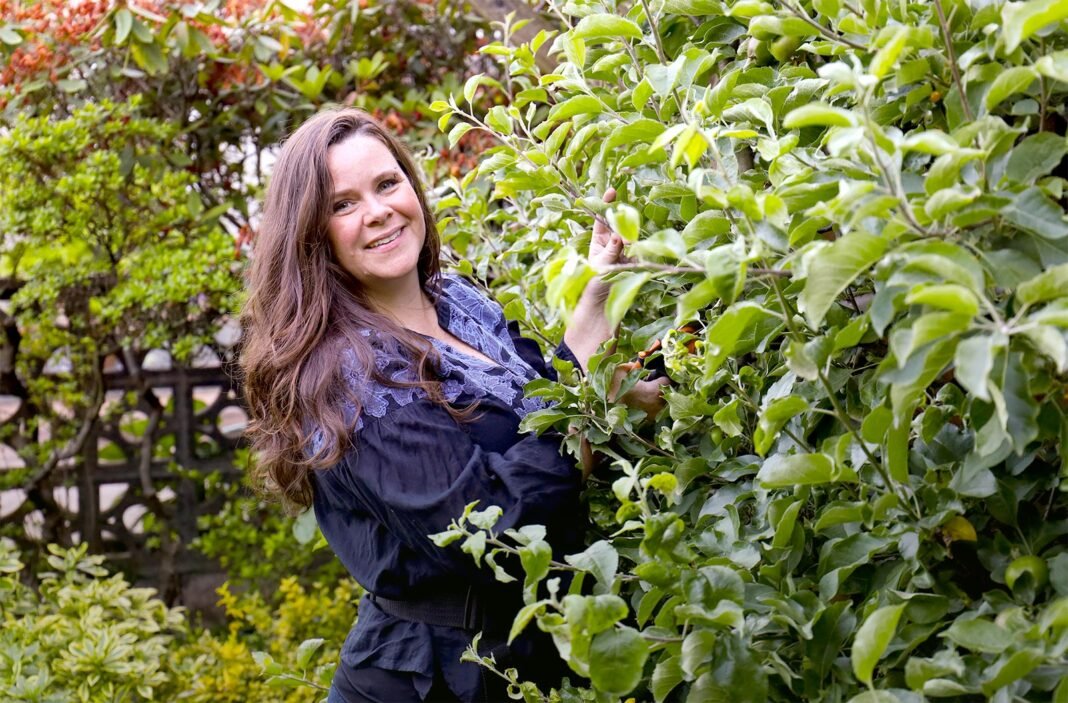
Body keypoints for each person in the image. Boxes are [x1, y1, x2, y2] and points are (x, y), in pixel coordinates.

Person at [239, 107, 666, 702]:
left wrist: (597, 313)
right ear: (312, 234)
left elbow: (544, 410)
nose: (379, 210)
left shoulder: (460, 302)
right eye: (342, 204)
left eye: (388, 184)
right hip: (444, 675)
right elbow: (491, 526)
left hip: (537, 649)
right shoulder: (349, 375)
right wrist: (592, 403)